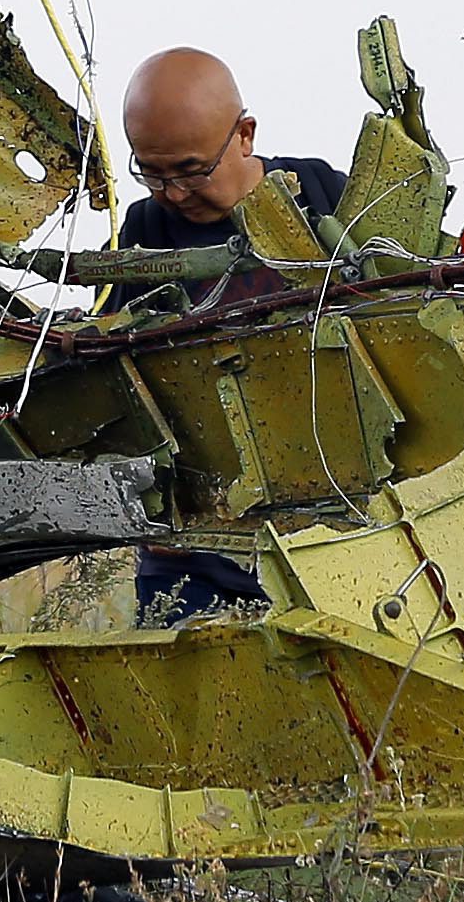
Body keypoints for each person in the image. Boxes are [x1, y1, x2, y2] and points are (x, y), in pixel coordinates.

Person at [106, 47, 346, 622]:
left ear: (244, 134)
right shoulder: (143, 230)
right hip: (194, 545)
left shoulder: (323, 197)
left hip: (328, 527)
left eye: (190, 170)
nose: (174, 193)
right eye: (152, 172)